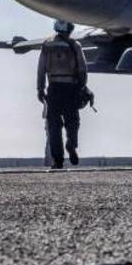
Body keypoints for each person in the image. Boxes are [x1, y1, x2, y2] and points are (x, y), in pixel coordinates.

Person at [37, 20, 89, 169]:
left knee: (53, 126)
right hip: (71, 89)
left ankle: (58, 160)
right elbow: (82, 69)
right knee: (72, 122)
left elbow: (41, 69)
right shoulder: (74, 45)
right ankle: (71, 144)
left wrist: (40, 89)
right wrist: (82, 87)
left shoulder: (47, 45)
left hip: (53, 88)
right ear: (70, 29)